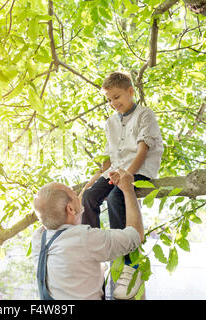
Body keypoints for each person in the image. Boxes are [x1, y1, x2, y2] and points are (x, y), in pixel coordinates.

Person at [79, 71, 163, 299]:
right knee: (88, 197)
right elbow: (108, 157)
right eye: (109, 100)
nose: (113, 103)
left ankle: (128, 262)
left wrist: (127, 176)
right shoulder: (110, 123)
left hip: (139, 170)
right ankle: (92, 249)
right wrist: (96, 177)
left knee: (117, 196)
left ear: (130, 91)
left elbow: (143, 150)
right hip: (115, 170)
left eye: (117, 97)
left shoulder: (145, 114)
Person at [32, 169, 144, 300]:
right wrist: (128, 189)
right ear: (70, 208)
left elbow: (62, 213)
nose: (77, 194)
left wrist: (90, 185)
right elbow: (136, 235)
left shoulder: (39, 238)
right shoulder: (83, 238)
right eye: (74, 194)